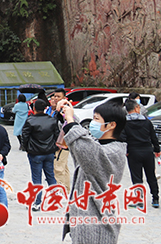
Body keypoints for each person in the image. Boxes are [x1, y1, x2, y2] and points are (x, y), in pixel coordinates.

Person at [58, 97, 127, 243]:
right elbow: (81, 141)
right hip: (85, 221)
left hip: (97, 226)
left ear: (111, 125)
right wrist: (66, 114)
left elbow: (83, 145)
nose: (92, 123)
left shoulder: (113, 152)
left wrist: (70, 120)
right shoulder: (98, 145)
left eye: (96, 119)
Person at [21, 98, 59, 211]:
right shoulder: (52, 120)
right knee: (50, 176)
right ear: (45, 108)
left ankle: (37, 202)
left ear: (34, 108)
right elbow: (57, 135)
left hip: (35, 152)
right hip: (49, 152)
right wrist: (54, 148)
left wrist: (26, 148)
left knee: (37, 179)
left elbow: (25, 136)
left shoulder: (30, 121)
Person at [122, 98, 159, 208]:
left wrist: (126, 151)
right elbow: (153, 137)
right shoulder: (147, 122)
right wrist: (157, 149)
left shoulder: (124, 123)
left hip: (133, 152)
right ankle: (155, 198)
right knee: (151, 176)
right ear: (136, 108)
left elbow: (122, 138)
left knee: (136, 177)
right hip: (147, 151)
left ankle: (139, 200)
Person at [48, 87, 71, 192]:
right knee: (63, 168)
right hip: (58, 143)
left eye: (59, 97)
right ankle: (67, 190)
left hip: (62, 144)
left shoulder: (66, 110)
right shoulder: (54, 110)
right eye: (55, 96)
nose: (56, 98)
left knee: (58, 169)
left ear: (64, 98)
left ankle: (61, 192)